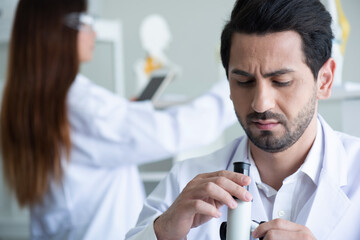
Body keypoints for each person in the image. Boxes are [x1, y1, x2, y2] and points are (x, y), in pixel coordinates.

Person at [0, 0, 236, 239]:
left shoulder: (26, 100)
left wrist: (127, 115)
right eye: (85, 22)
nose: (94, 31)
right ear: (55, 29)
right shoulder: (84, 106)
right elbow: (178, 131)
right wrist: (236, 86)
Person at [126, 0, 360, 239]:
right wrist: (163, 231)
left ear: (325, 80)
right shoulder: (184, 183)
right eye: (244, 82)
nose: (260, 103)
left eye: (281, 81)